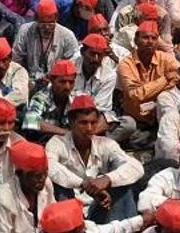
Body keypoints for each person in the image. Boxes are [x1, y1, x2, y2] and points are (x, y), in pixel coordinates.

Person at [46, 95, 144, 223]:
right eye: (83, 123)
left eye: (93, 123)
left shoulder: (106, 144)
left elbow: (136, 167)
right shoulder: (57, 143)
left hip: (99, 207)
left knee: (122, 184)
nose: (89, 128)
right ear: (71, 122)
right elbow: (50, 166)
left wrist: (107, 179)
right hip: (69, 208)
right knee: (56, 183)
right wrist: (83, 184)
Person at [0, 140, 56, 233]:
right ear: (19, 174)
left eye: (45, 173)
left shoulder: (47, 184)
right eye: (37, 176)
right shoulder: (4, 198)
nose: (42, 179)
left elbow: (53, 217)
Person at [12, 0, 79, 84]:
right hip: (29, 80)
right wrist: (25, 79)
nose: (47, 27)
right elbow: (16, 59)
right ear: (36, 18)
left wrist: (56, 76)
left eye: (50, 23)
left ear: (56, 18)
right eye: (43, 23)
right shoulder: (25, 31)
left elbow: (74, 61)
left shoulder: (67, 35)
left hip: (57, 82)